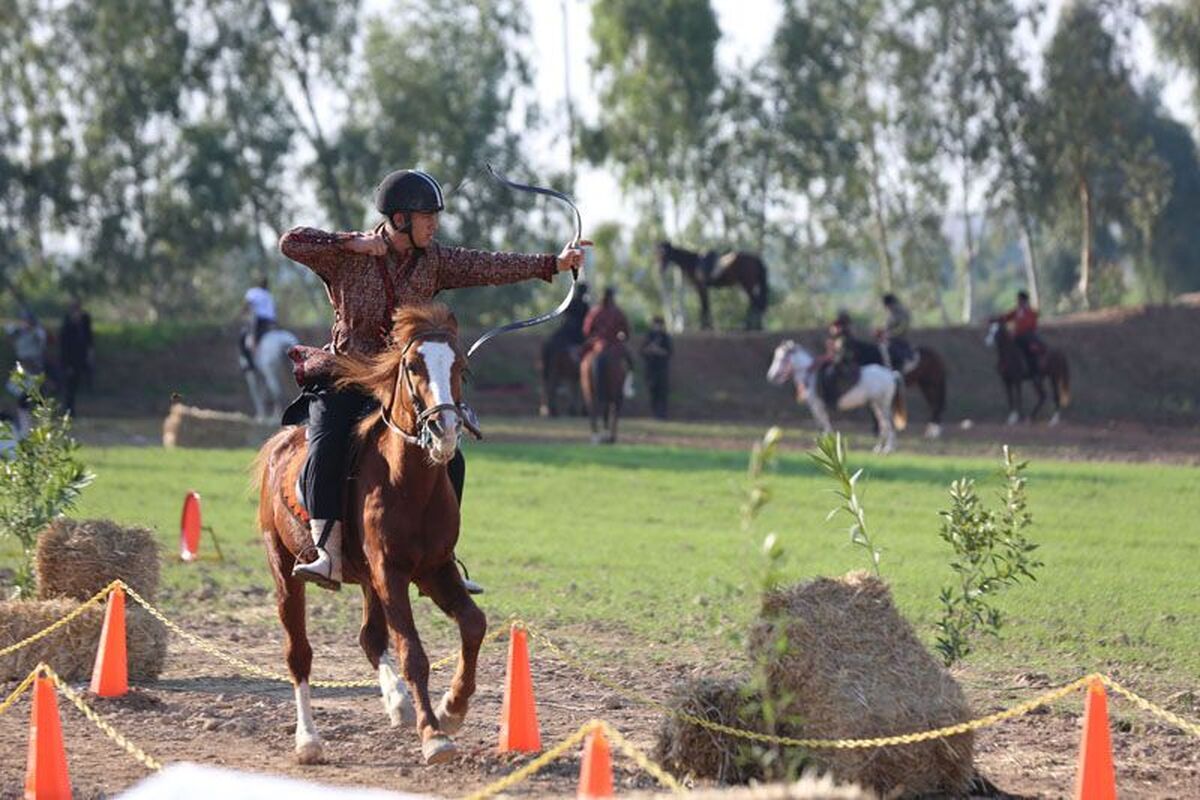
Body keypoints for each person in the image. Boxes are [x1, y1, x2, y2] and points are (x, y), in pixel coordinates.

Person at [279, 168, 588, 591]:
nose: (434, 224)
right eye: (427, 216)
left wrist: (553, 262)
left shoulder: (435, 260)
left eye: (435, 217)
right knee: (328, 440)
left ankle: (442, 558)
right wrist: (352, 242)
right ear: (399, 218)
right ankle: (326, 550)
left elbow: (488, 266)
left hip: (401, 386)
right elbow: (290, 242)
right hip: (347, 377)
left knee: (450, 455)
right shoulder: (348, 256)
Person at [582, 287, 633, 396]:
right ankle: (629, 386)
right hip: (614, 344)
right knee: (630, 361)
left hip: (598, 344)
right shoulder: (618, 312)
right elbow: (626, 331)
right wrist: (623, 337)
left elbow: (587, 330)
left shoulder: (594, 312)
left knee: (583, 357)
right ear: (612, 297)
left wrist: (594, 337)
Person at [5, 310, 48, 434]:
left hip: (33, 367)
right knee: (21, 398)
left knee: (37, 397)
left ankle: (41, 425)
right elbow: (11, 340)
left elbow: (42, 342)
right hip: (23, 367)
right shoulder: (19, 333)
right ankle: (24, 427)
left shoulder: (36, 332)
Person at [59, 299, 94, 417]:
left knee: (77, 383)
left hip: (81, 359)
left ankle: (72, 409)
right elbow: (64, 347)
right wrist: (67, 364)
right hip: (70, 360)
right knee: (70, 385)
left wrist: (89, 355)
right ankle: (69, 410)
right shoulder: (67, 326)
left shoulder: (85, 321)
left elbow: (89, 339)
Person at [238, 276, 277, 371]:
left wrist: (241, 313)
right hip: (271, 323)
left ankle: (249, 363)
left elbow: (248, 305)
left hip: (258, 322)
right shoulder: (269, 295)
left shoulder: (253, 292)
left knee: (243, 337)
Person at [1001, 290, 1042, 376]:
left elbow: (1030, 325)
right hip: (1017, 336)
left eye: (1020, 300)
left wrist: (1022, 331)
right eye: (1018, 300)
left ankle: (1033, 369)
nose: (1018, 302)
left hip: (1028, 335)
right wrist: (993, 320)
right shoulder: (1017, 311)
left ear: (1024, 301)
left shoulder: (1030, 312)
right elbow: (1006, 317)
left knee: (1030, 349)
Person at [640, 316, 673, 419]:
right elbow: (642, 351)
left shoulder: (665, 337)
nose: (657, 327)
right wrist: (650, 349)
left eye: (659, 324)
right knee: (652, 391)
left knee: (662, 392)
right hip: (650, 369)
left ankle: (663, 414)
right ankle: (655, 414)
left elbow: (669, 352)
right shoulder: (648, 337)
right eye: (656, 324)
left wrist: (658, 350)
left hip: (662, 369)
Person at [880, 293, 914, 370]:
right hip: (889, 338)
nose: (887, 308)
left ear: (891, 303)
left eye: (887, 305)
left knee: (894, 350)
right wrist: (882, 331)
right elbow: (888, 326)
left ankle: (903, 364)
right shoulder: (891, 313)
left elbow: (902, 327)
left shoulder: (902, 312)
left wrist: (889, 334)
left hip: (900, 339)